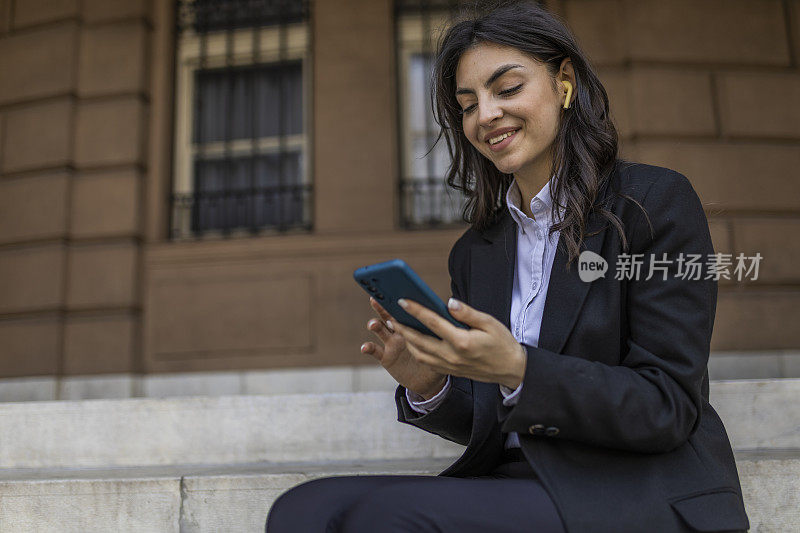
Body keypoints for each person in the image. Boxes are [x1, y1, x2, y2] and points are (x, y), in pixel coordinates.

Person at [266, 1, 749, 531]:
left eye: (508, 88)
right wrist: (432, 385)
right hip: (519, 478)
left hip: (634, 487)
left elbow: (667, 405)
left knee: (387, 518)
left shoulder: (654, 202)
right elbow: (494, 421)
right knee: (301, 510)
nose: (486, 115)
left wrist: (520, 367)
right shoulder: (478, 249)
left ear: (564, 82)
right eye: (468, 104)